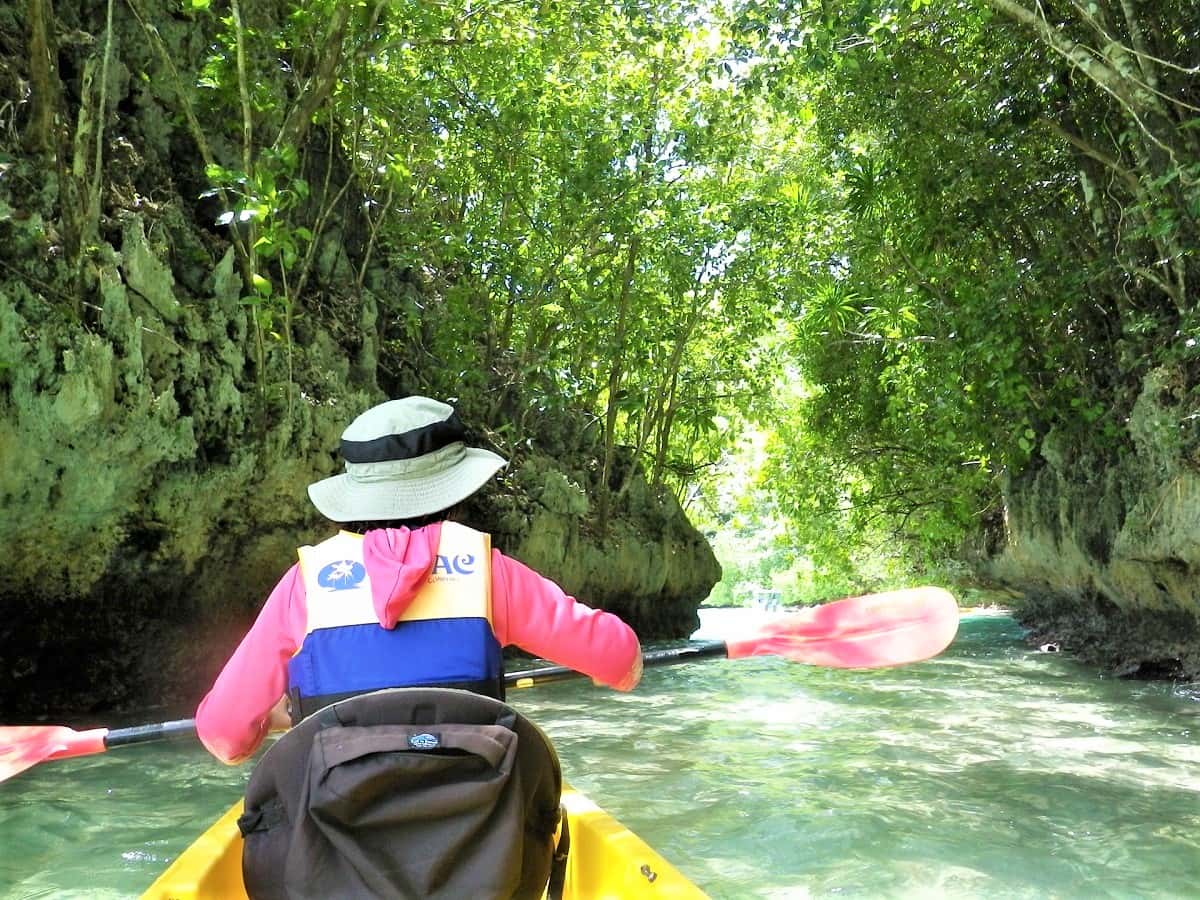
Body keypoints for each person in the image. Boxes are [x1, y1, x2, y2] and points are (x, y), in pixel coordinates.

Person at [195, 395, 643, 765]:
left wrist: (275, 718)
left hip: (340, 836)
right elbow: (620, 657)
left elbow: (223, 736)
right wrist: (613, 671)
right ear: (456, 488)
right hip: (475, 833)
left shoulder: (306, 585)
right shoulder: (490, 574)